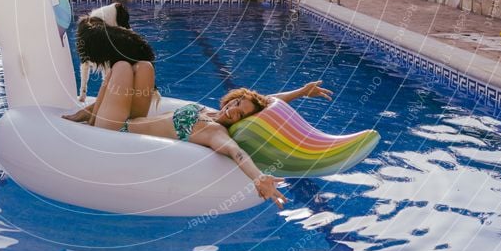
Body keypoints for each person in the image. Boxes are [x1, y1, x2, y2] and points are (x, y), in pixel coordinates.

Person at [64, 61, 333, 209]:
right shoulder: (211, 111)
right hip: (135, 118)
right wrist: (300, 92)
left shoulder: (214, 131)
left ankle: (91, 117)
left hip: (115, 128)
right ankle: (89, 112)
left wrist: (259, 178)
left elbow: (235, 152)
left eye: (239, 116)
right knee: (144, 66)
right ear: (233, 98)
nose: (231, 112)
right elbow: (267, 100)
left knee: (121, 67)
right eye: (234, 105)